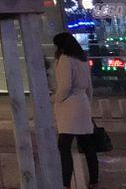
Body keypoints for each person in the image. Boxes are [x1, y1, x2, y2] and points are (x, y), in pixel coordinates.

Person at [52, 32, 98, 189]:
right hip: (82, 104)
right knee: (88, 146)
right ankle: (94, 180)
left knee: (64, 146)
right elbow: (89, 88)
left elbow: (65, 86)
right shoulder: (82, 59)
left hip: (69, 107)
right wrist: (87, 105)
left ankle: (65, 182)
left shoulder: (65, 59)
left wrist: (56, 100)